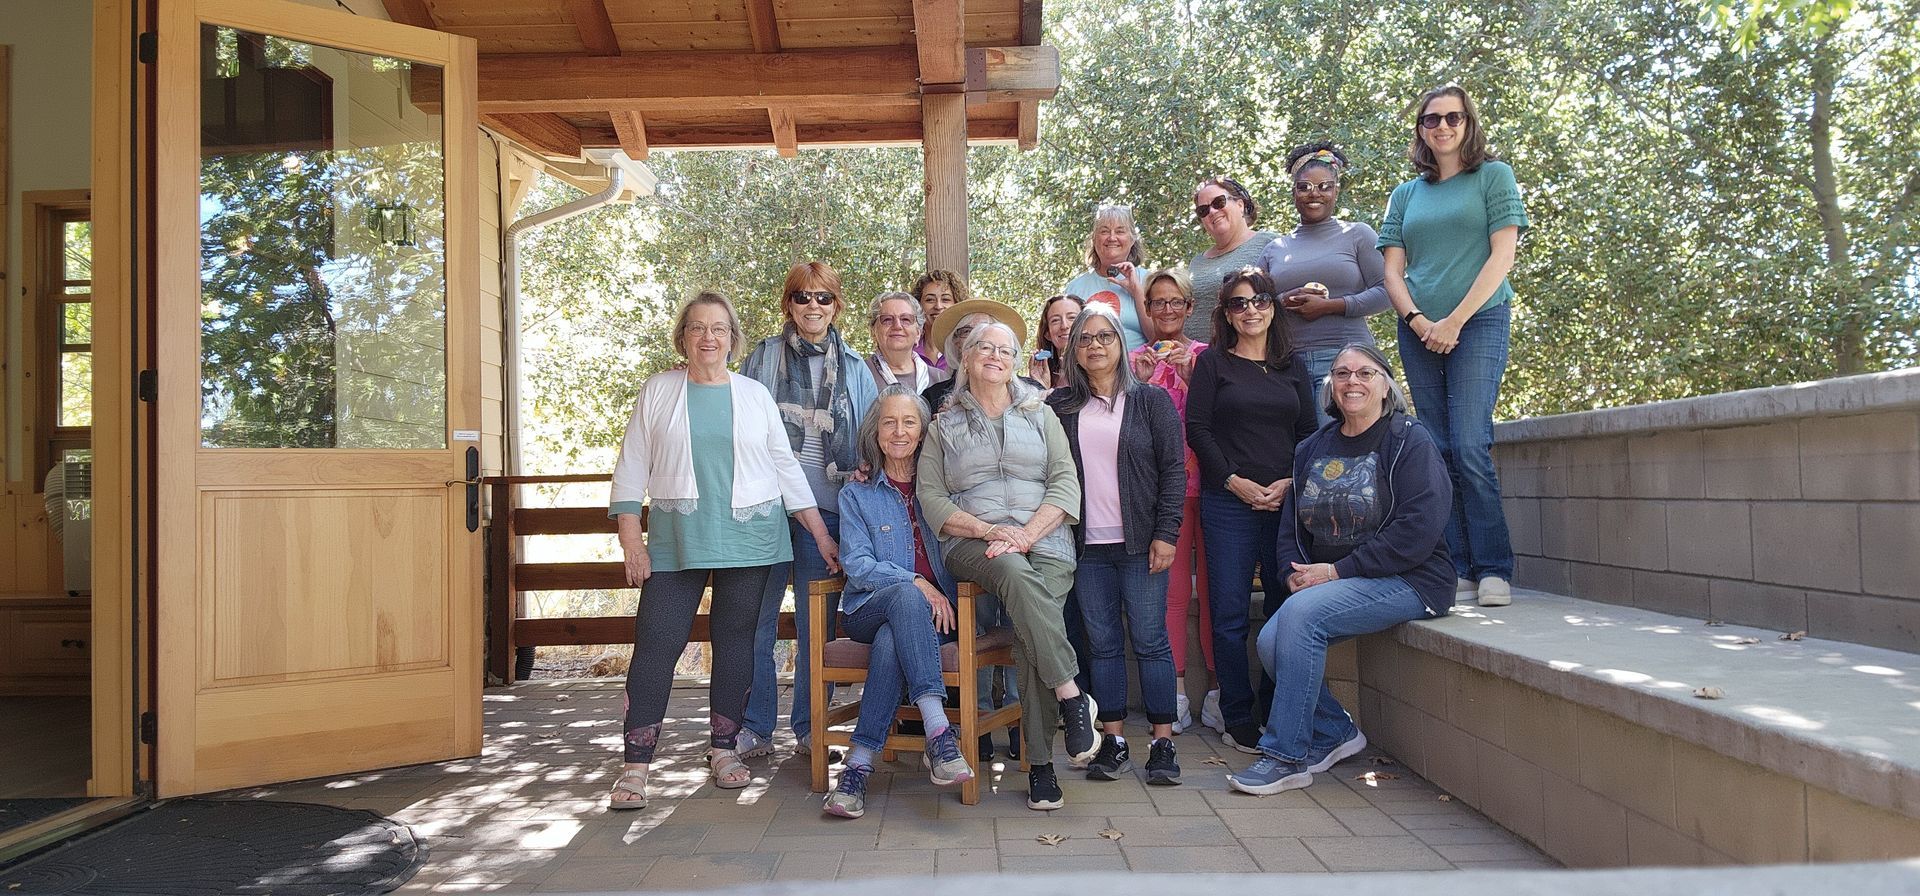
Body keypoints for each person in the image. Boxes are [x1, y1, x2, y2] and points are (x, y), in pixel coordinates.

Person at [606, 291, 840, 809]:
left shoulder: (754, 395)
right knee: (656, 647)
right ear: (683, 338)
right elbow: (631, 467)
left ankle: (724, 749)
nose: (708, 337)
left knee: (736, 645)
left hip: (752, 539)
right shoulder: (658, 391)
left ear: (732, 340)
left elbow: (786, 469)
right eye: (697, 328)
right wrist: (631, 542)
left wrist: (820, 535)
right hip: (676, 540)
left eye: (718, 329)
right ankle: (635, 767)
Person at [1227, 344, 1454, 794]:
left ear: (1385, 384)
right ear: (1330, 385)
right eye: (1342, 373)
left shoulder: (1409, 439)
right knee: (1272, 639)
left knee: (1299, 617)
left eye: (1365, 373)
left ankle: (1286, 755)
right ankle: (1335, 732)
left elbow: (1419, 528)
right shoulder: (1313, 446)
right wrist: (1293, 572)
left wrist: (1335, 572)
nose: (1353, 382)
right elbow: (1291, 523)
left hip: (1411, 579)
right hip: (1339, 578)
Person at [919, 321, 1101, 811]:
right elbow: (931, 498)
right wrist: (988, 531)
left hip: (1044, 541)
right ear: (966, 356)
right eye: (985, 347)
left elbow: (1065, 485)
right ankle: (1071, 693)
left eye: (1005, 350)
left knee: (1026, 632)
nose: (995, 356)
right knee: (1016, 574)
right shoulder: (942, 425)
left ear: (1016, 360)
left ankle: (1041, 766)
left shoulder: (1040, 414)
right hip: (973, 543)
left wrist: (1027, 534)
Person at [1378, 84, 1530, 608]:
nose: (1442, 126)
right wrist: (1420, 321)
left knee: (1469, 444)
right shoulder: (1406, 194)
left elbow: (1501, 257)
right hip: (1418, 330)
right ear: (1420, 129)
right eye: (1431, 119)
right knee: (1436, 449)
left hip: (1479, 322)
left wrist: (1455, 321)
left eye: (1453, 118)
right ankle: (1458, 564)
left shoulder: (1494, 176)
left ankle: (1493, 566)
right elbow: (1392, 272)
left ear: (1469, 123)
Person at [740, 262, 880, 758]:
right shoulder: (763, 358)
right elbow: (739, 426)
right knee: (755, 621)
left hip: (828, 515)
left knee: (813, 626)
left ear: (837, 306)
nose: (813, 306)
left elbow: (871, 440)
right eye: (802, 297)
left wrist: (867, 467)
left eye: (823, 297)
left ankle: (809, 728)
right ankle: (754, 727)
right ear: (788, 305)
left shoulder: (859, 369)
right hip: (765, 512)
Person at [1046, 305, 1186, 786]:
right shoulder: (1059, 407)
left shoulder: (1150, 401)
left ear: (1120, 345)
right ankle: (1114, 741)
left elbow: (1173, 471)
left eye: (1105, 336)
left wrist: (1167, 533)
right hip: (1087, 550)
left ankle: (1163, 743)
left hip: (1142, 545)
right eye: (1085, 339)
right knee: (1103, 646)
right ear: (1073, 351)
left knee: (1150, 642)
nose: (1096, 345)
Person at [823, 386, 974, 818]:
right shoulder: (858, 492)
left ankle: (857, 768)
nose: (899, 431)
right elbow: (857, 564)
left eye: (909, 422)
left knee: (893, 640)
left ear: (925, 431)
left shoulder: (944, 489)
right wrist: (916, 582)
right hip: (867, 608)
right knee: (905, 599)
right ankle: (940, 732)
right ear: (876, 431)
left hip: (937, 618)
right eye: (889, 422)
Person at [1185, 266, 1317, 754]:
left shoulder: (1292, 366)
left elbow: (1309, 433)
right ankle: (1237, 715)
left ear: (1273, 305)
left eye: (1259, 300)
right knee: (1230, 613)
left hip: (1287, 503)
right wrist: (1234, 482)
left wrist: (1288, 482)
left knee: (1287, 607)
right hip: (1229, 504)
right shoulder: (1214, 365)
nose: (1251, 310)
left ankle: (1272, 706)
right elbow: (1198, 429)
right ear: (1226, 313)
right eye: (1239, 303)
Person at [1128, 268, 1212, 734]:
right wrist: (1139, 383)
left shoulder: (1207, 357)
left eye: (1174, 302)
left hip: (1213, 487)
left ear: (1189, 307)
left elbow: (1221, 416)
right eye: (1157, 302)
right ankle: (1176, 693)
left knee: (1218, 594)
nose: (1166, 310)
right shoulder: (1136, 360)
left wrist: (1191, 375)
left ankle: (1219, 694)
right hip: (1164, 494)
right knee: (1173, 596)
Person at [1259, 142, 1390, 425]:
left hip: (1348, 361)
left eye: (1324, 186)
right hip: (1288, 363)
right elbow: (1257, 305)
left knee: (1343, 450)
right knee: (1301, 454)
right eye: (1304, 187)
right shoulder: (1275, 248)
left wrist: (1331, 306)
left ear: (1336, 190)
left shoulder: (1357, 234)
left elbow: (1386, 292)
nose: (1313, 193)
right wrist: (1282, 302)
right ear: (1293, 192)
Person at [1185, 176, 1278, 340]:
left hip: (1243, 357)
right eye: (1203, 210)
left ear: (1240, 205)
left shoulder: (1269, 243)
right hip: (1197, 359)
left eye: (1218, 202)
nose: (1212, 211)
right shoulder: (1196, 262)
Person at [922, 298, 1043, 413]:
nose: (976, 337)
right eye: (967, 331)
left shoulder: (1030, 391)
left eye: (986, 330)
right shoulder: (933, 397)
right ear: (955, 341)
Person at [1061, 205, 1152, 351]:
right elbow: (1065, 342)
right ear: (1094, 239)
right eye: (1104, 231)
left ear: (1132, 239)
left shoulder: (1150, 280)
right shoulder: (1074, 288)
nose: (1112, 237)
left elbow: (1159, 338)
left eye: (1120, 231)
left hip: (1141, 369)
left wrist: (1136, 291)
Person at [865, 290, 949, 394]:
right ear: (873, 331)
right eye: (887, 319)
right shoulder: (860, 374)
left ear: (918, 332)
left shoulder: (941, 379)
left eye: (905, 319)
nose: (897, 326)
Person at [911, 270, 968, 367]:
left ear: (957, 304)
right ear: (919, 305)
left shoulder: (965, 348)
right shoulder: (909, 348)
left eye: (945, 299)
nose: (938, 306)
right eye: (930, 300)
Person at [1027, 293, 1085, 389]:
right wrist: (1040, 389)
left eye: (1072, 318)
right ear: (1047, 334)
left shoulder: (1101, 371)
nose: (1064, 326)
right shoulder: (1041, 376)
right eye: (1055, 320)